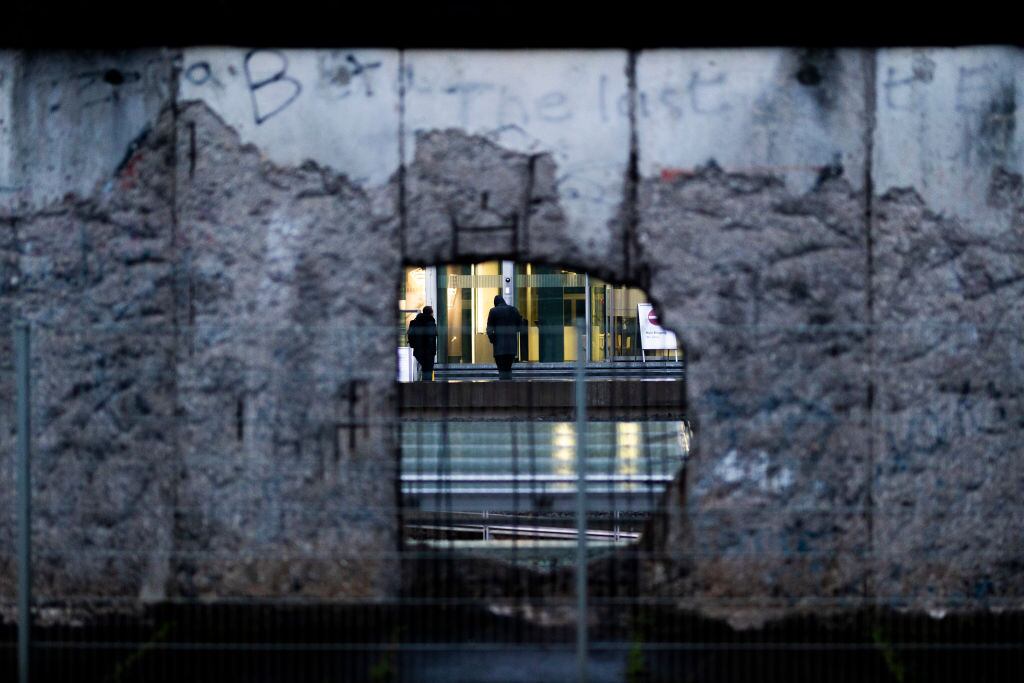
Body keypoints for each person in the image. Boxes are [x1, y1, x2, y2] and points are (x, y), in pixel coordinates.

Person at [486, 294, 526, 380]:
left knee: (501, 369)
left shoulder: (493, 311)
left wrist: (492, 339)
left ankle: (502, 388)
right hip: (511, 346)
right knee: (508, 368)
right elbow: (521, 327)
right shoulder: (513, 310)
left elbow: (489, 329)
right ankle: (509, 387)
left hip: (499, 347)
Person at [407, 306, 437, 381]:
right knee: (428, 370)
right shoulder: (431, 321)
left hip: (418, 350)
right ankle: (427, 387)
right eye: (432, 312)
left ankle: (418, 386)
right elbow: (432, 336)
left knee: (419, 369)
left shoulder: (416, 321)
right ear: (430, 312)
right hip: (428, 351)